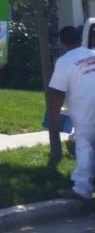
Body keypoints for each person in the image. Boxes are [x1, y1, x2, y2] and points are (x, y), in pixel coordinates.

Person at [48, 25, 95, 199]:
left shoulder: (64, 62)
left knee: (84, 146)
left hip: (85, 109)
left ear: (60, 42)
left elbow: (58, 92)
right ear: (79, 39)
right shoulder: (92, 54)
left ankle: (82, 188)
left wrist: (54, 117)